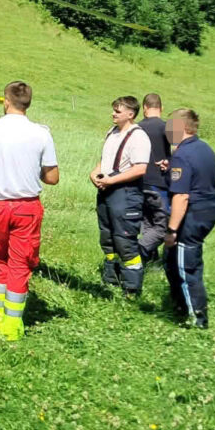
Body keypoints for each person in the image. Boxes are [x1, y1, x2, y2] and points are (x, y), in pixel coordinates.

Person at [0, 81, 59, 341]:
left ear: (5, 100)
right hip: (27, 207)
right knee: (20, 263)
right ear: (28, 103)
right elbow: (52, 178)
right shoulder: (41, 134)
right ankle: (12, 325)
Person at [89, 96, 151, 297]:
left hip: (125, 194)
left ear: (130, 114)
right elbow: (104, 160)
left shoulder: (138, 137)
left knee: (125, 241)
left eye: (118, 111)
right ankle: (110, 281)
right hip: (106, 191)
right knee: (107, 239)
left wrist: (111, 181)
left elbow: (141, 168)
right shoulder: (112, 132)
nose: (113, 114)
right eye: (113, 110)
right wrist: (94, 173)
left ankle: (131, 290)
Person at [164, 108, 215, 329]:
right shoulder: (205, 149)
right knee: (170, 259)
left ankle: (197, 320)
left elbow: (182, 196)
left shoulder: (181, 155)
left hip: (192, 215)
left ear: (181, 127)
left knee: (187, 267)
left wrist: (171, 230)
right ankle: (178, 307)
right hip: (209, 209)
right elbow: (213, 180)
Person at [137, 93, 172, 263]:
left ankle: (150, 262)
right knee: (162, 226)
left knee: (148, 224)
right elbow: (185, 149)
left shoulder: (135, 128)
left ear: (144, 108)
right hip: (160, 183)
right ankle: (137, 254)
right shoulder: (168, 126)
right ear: (161, 108)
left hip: (138, 182)